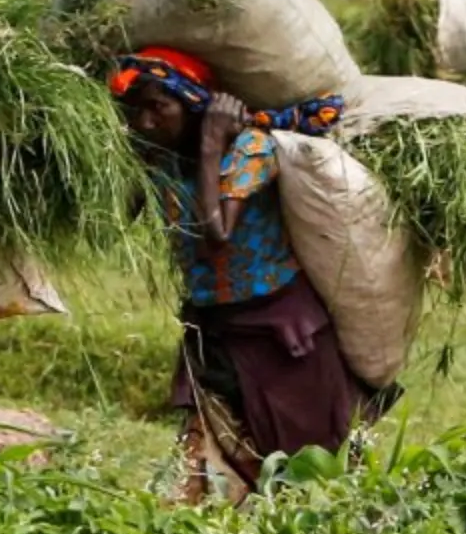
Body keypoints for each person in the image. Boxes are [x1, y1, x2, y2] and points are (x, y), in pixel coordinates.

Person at [111, 47, 378, 504]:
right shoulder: (163, 162)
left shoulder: (249, 148)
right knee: (203, 460)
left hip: (277, 334)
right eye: (137, 111)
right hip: (211, 330)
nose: (146, 122)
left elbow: (216, 234)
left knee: (310, 473)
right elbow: (121, 212)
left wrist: (213, 142)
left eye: (158, 107)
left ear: (198, 106)